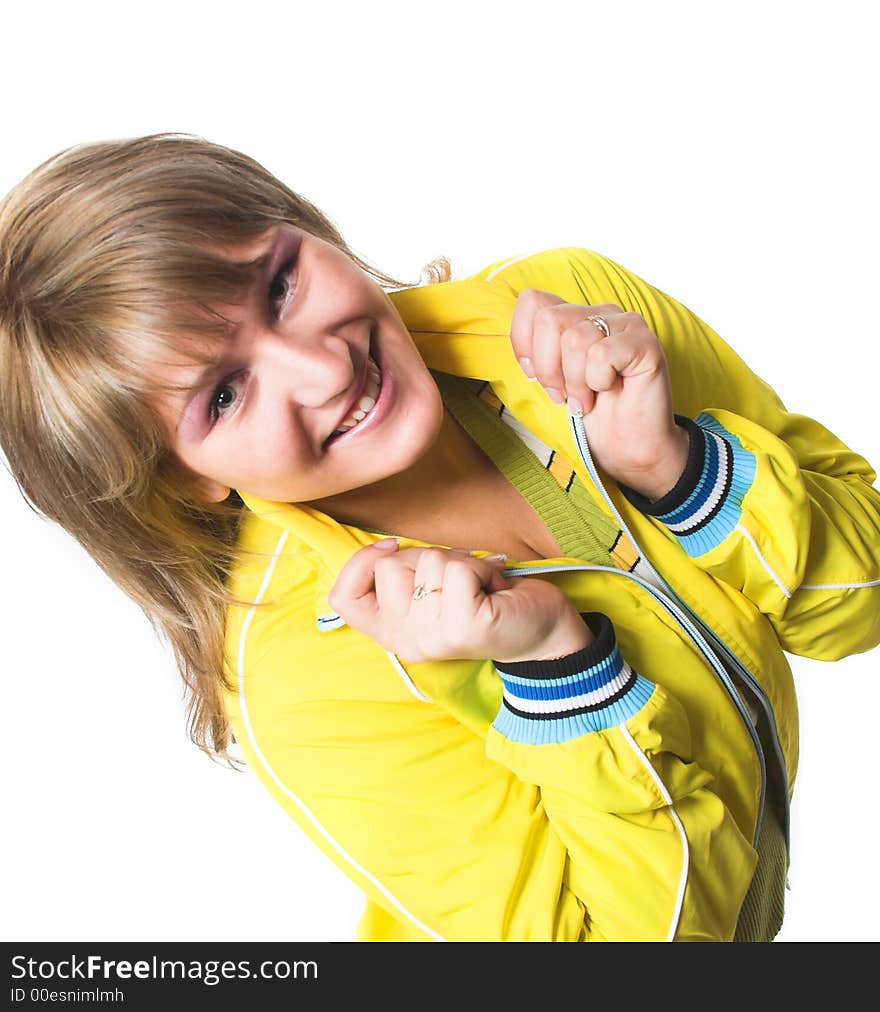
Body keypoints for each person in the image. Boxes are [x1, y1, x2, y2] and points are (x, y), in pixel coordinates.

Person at [1, 133, 878, 943]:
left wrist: (680, 469)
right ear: (185, 476)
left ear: (309, 227)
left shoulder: (574, 319)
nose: (326, 368)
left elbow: (862, 601)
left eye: (280, 284)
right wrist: (555, 669)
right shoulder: (302, 681)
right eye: (224, 394)